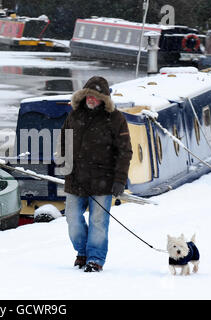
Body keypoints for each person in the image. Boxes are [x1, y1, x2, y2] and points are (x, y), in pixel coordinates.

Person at [59, 76, 132, 272]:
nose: (91, 99)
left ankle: (95, 259)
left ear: (104, 99)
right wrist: (64, 163)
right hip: (75, 179)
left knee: (98, 222)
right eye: (88, 95)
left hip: (103, 181)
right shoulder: (74, 115)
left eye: (95, 96)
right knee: (72, 219)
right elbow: (63, 141)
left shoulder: (116, 119)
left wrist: (119, 180)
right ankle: (82, 252)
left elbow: (125, 152)